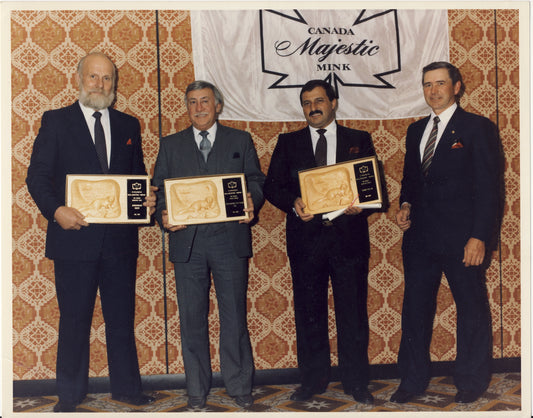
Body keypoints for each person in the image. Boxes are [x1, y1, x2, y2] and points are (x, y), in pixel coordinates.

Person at [26, 52, 156, 412]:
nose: (100, 85)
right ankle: (69, 396)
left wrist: (145, 199)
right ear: (79, 77)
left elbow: (137, 176)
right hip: (72, 239)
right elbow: (36, 178)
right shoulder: (56, 121)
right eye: (94, 77)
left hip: (118, 243)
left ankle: (127, 390)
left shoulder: (130, 125)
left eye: (107, 79)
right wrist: (56, 211)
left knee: (120, 319)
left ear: (115, 84)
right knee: (74, 321)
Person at [391, 61, 500, 404]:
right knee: (415, 309)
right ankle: (411, 381)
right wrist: (405, 205)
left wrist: (479, 236)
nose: (433, 90)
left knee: (471, 308)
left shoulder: (478, 128)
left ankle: (470, 380)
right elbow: (411, 180)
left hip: (463, 239)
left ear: (456, 87)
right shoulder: (415, 131)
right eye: (427, 85)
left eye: (440, 83)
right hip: (420, 239)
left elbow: (490, 188)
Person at [152, 80, 265, 409]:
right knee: (191, 320)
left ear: (218, 105)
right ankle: (196, 392)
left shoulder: (240, 141)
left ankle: (239, 386)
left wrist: (251, 200)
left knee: (234, 318)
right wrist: (163, 216)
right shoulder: (170, 145)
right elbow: (159, 190)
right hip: (187, 243)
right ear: (186, 107)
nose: (199, 107)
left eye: (205, 101)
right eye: (192, 102)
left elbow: (256, 180)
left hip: (229, 242)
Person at [263, 79, 376, 404]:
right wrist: (294, 202)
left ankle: (357, 382)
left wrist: (362, 205)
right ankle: (312, 381)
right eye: (307, 102)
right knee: (309, 312)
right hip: (306, 242)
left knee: (352, 315)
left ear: (334, 102)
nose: (313, 107)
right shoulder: (288, 142)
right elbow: (273, 186)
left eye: (319, 100)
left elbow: (371, 190)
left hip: (349, 241)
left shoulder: (359, 139)